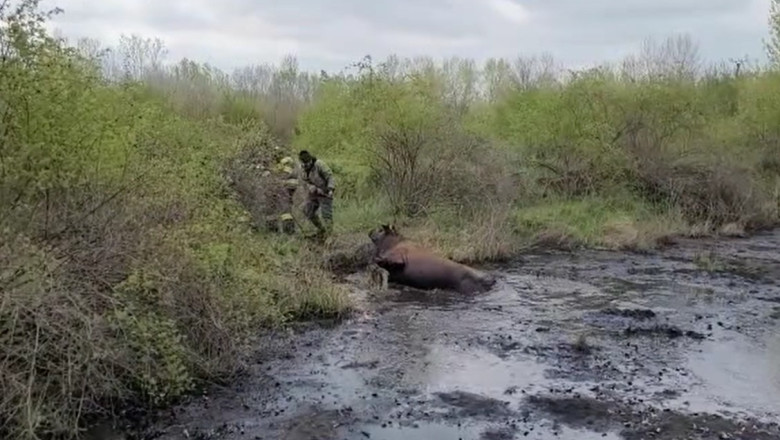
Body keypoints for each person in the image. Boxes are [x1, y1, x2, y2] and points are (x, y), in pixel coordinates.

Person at [298, 150, 335, 236]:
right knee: (307, 210)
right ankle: (321, 229)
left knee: (326, 215)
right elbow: (304, 181)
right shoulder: (302, 168)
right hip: (313, 193)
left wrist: (330, 189)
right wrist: (309, 186)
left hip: (325, 192)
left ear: (310, 160)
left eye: (307, 163)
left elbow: (330, 177)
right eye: (304, 163)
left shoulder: (319, 164)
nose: (306, 165)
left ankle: (329, 235)